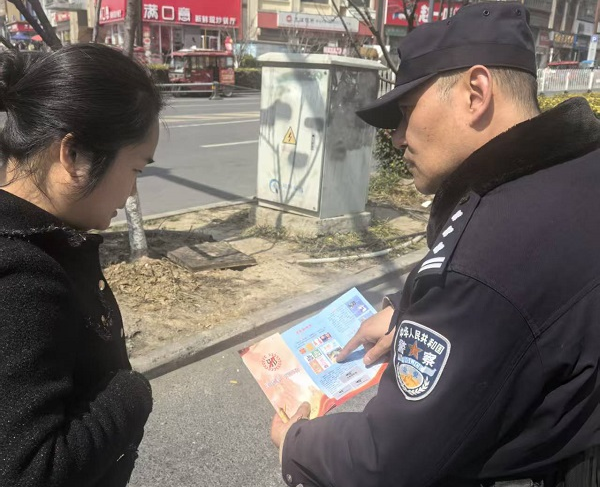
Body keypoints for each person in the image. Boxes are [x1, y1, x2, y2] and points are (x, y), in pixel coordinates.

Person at [270, 2, 600, 486]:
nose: (398, 138)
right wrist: (406, 312)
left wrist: (296, 444)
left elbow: (386, 462)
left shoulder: (488, 257)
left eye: (406, 113)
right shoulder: (577, 171)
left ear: (475, 93)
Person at [0, 44, 163, 486]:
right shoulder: (25, 279)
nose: (131, 192)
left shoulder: (34, 242)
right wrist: (132, 392)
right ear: (72, 155)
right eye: (136, 169)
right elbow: (29, 472)